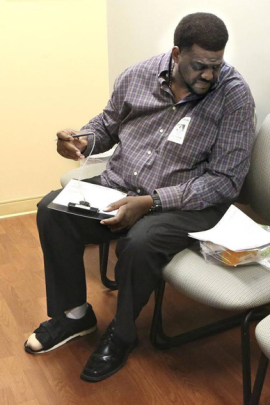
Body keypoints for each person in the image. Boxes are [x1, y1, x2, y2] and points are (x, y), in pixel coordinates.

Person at [25, 12, 255, 382]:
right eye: (200, 67)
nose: (209, 76)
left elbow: (225, 181)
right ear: (177, 54)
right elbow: (106, 126)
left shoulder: (234, 97)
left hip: (189, 203)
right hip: (123, 185)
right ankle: (74, 315)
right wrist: (82, 141)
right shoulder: (139, 75)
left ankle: (121, 334)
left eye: (216, 66)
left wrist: (152, 203)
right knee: (52, 209)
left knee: (140, 241)